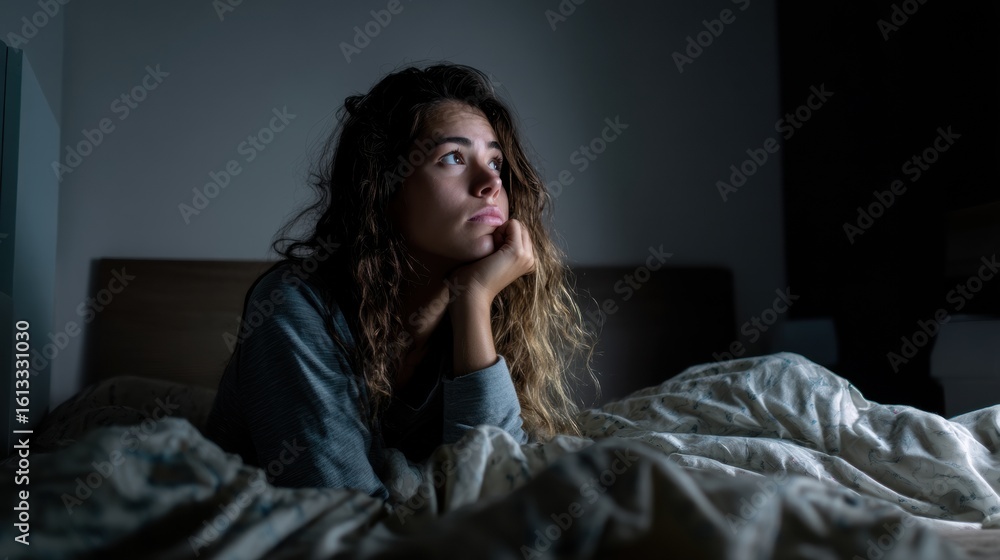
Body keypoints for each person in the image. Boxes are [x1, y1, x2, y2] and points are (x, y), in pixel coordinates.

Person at [206, 63, 596, 500]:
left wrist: (475, 299)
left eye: (495, 162)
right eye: (452, 157)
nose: (490, 183)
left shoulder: (486, 310)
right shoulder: (294, 308)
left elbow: (498, 484)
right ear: (384, 188)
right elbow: (342, 513)